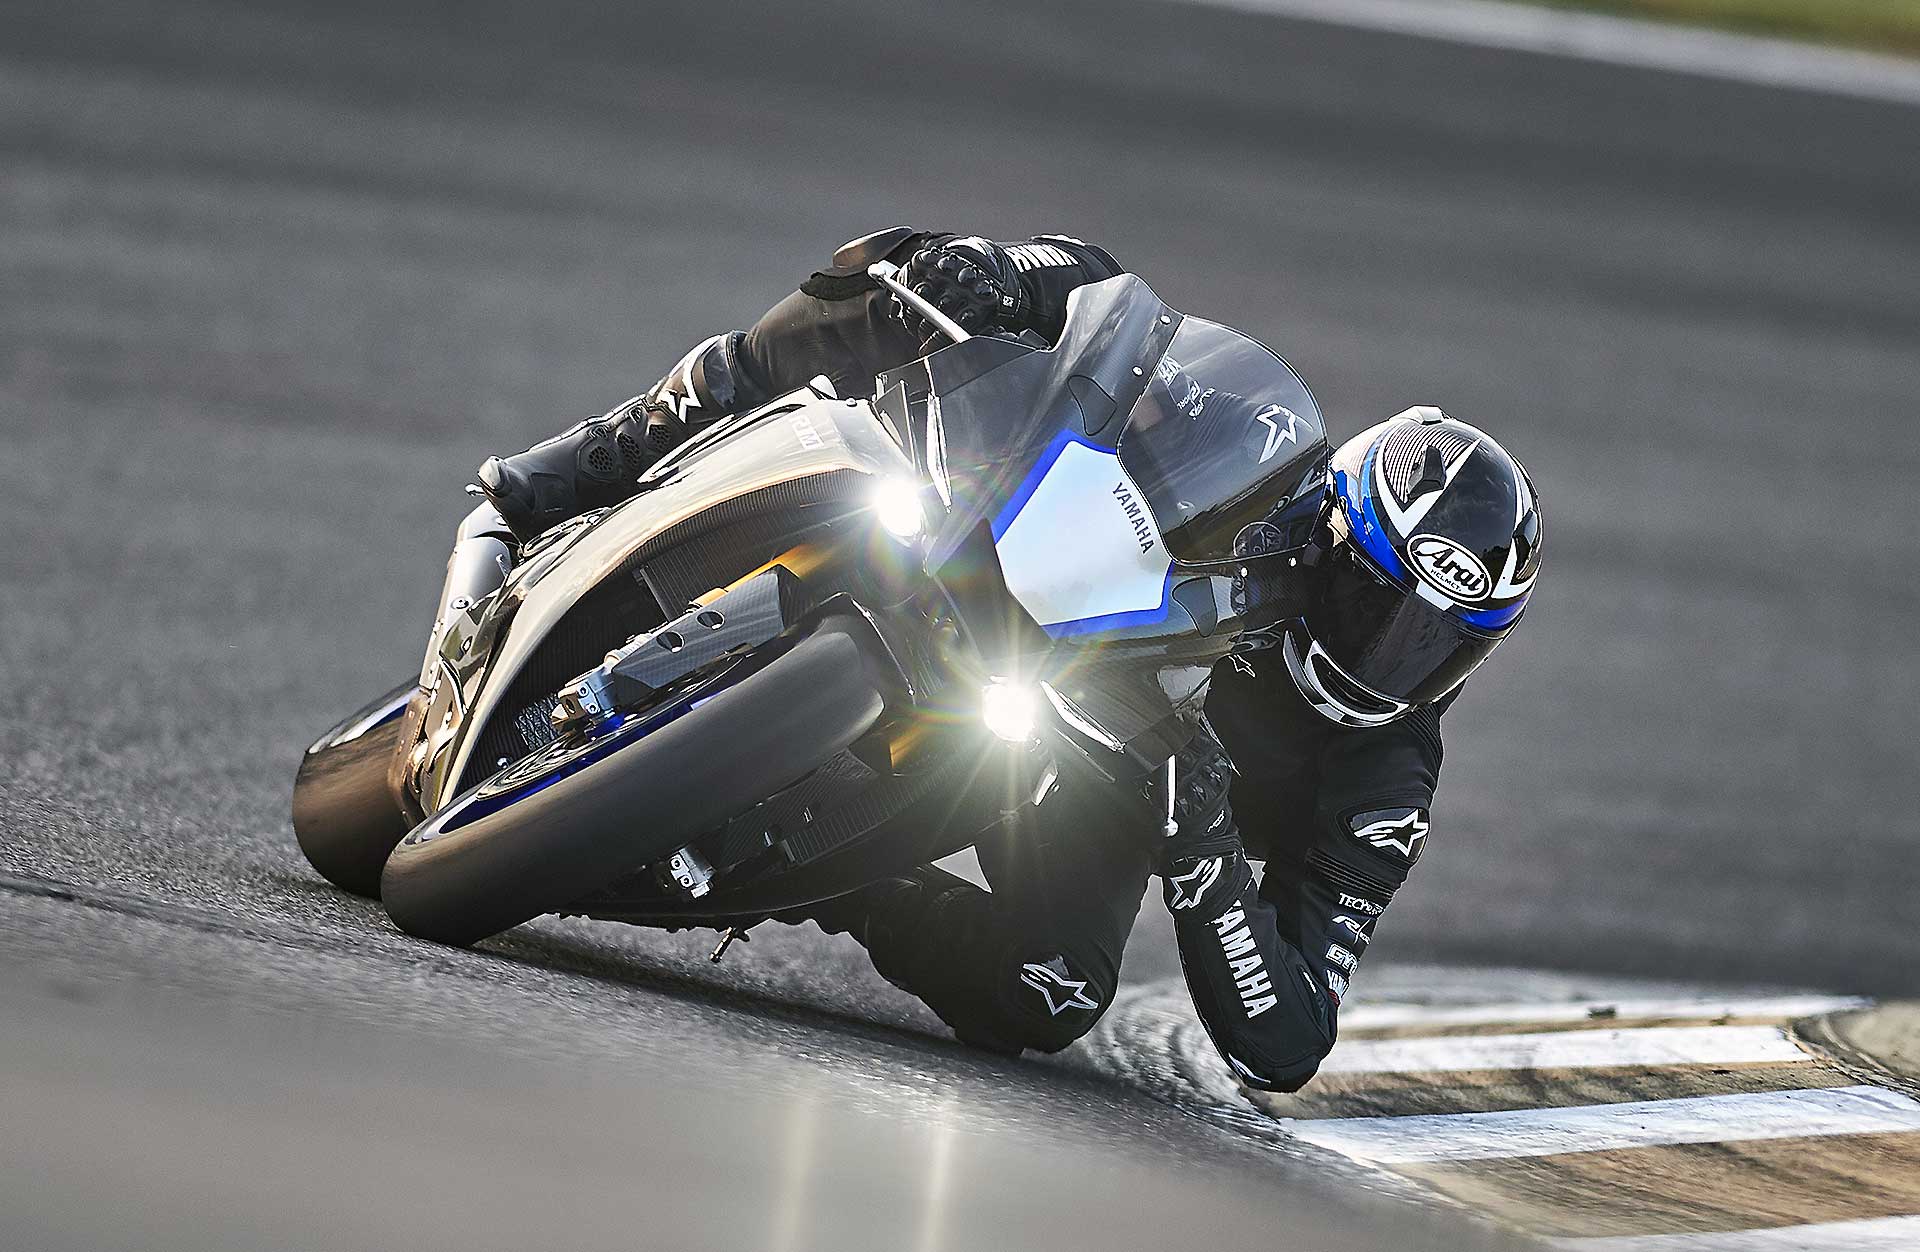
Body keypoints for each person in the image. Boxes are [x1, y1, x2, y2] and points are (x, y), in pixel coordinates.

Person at [475, 227, 1543, 1091]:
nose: (1388, 655)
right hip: (1022, 585)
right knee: (896, 272)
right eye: (1373, 605)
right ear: (1328, 535)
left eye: (1437, 644)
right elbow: (1120, 315)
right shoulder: (1263, 456)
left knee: (1051, 991)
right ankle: (609, 451)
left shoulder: (1383, 780)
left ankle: (805, 871)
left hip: (1111, 781)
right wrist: (1005, 274)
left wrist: (1204, 845)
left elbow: (1289, 1040)